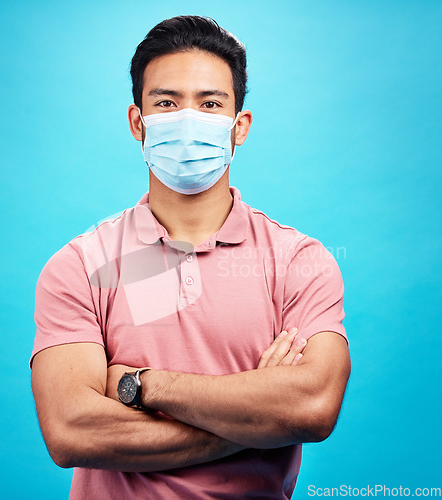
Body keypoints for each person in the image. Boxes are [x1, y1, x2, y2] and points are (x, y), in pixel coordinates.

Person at [30, 15, 350, 500]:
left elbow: (313, 408)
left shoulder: (299, 261)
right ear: (138, 122)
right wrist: (255, 421)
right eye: (166, 102)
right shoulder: (81, 264)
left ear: (238, 127)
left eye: (210, 103)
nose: (187, 119)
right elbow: (72, 432)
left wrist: (143, 385)